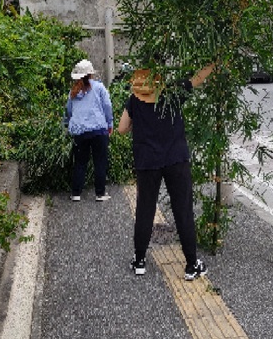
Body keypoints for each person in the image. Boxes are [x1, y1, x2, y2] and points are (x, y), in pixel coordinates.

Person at [118, 62, 215, 280]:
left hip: (147, 162)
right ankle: (191, 265)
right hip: (175, 159)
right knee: (183, 210)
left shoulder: (134, 100)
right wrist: (214, 62)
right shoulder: (173, 93)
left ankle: (139, 261)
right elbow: (198, 78)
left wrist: (139, 123)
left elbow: (122, 129)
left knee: (145, 209)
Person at [65, 59, 113, 202]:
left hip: (79, 131)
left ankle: (76, 193)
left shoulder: (73, 91)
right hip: (98, 129)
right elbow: (107, 106)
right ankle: (100, 193)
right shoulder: (99, 87)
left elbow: (69, 111)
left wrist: (68, 124)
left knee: (80, 162)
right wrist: (109, 123)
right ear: (91, 74)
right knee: (100, 162)